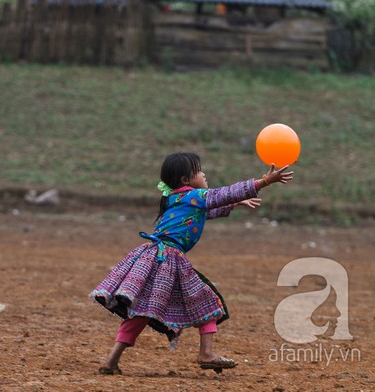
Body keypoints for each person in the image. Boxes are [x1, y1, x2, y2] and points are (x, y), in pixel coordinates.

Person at [90, 152, 294, 375]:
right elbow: (222, 194)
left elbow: (205, 211)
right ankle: (206, 353)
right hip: (167, 258)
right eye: (198, 171)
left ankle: (111, 360)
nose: (203, 173)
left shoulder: (175, 199)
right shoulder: (194, 196)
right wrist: (264, 181)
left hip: (153, 255)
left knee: (141, 310)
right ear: (186, 181)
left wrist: (234, 203)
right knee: (208, 300)